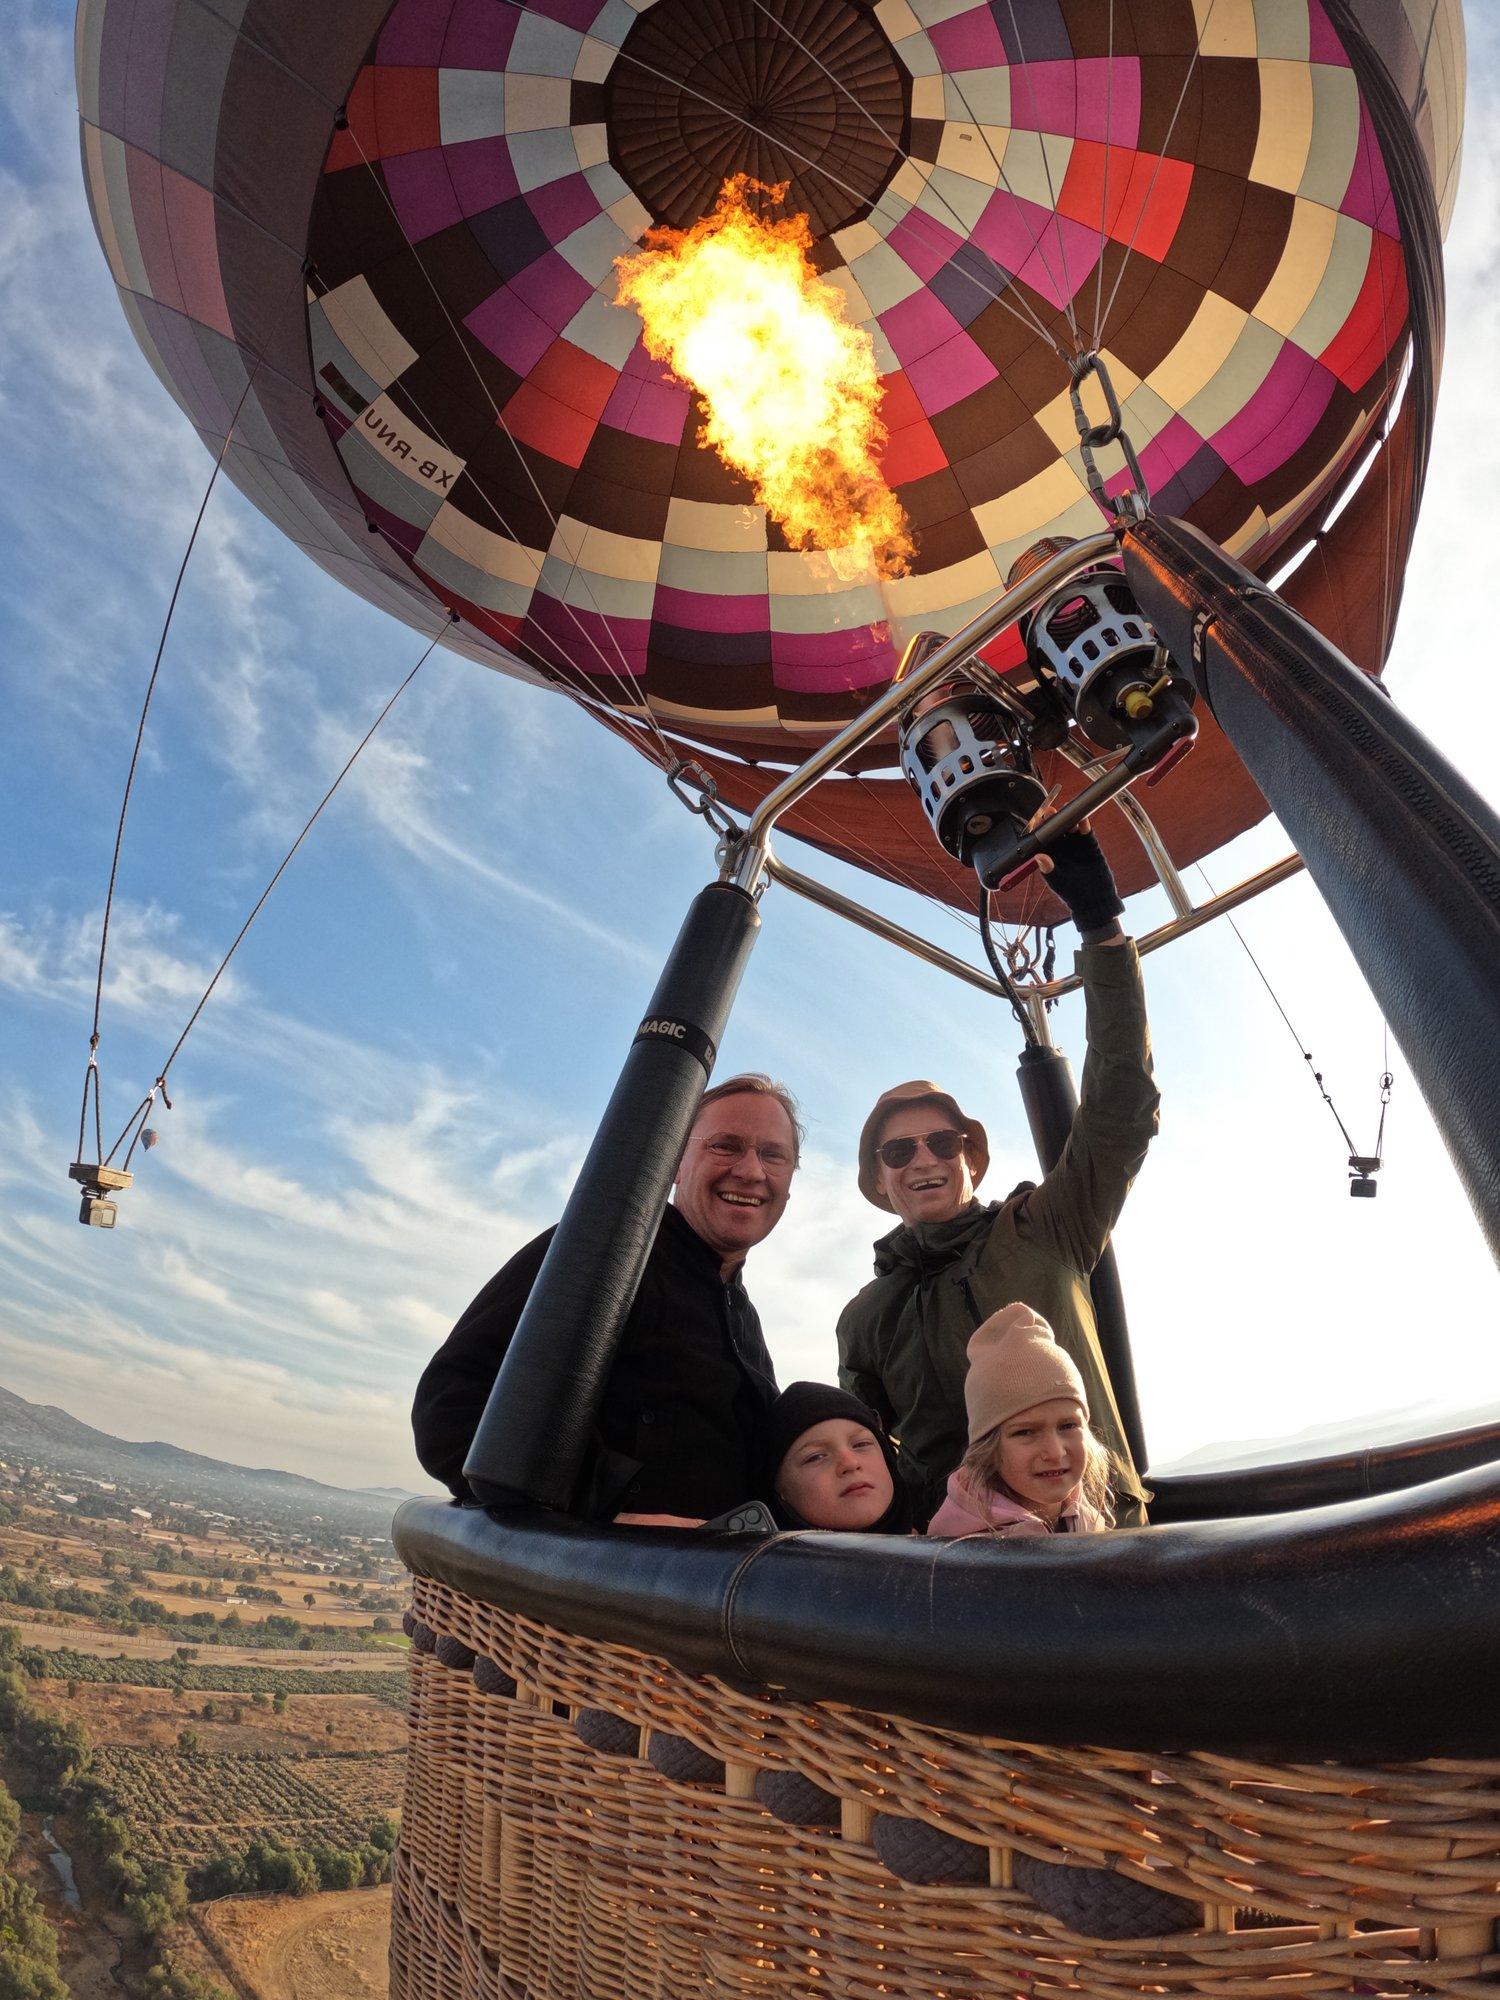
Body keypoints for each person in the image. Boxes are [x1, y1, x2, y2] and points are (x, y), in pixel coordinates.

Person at [836, 824, 1157, 1527]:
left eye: (942, 1142)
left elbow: (1119, 1109)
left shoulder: (1046, 1227)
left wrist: (1101, 928)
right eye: (899, 1153)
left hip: (1100, 1545)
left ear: (969, 1159)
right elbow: (861, 1452)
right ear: (879, 1183)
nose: (924, 1159)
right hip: (966, 1582)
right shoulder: (866, 1319)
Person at [412, 1074, 798, 1524]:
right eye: (725, 1146)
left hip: (704, 1587)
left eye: (773, 1154)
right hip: (591, 1587)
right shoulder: (601, 1253)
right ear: (674, 1161)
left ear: (789, 1180)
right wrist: (609, 1511)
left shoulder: (742, 1317)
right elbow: (452, 1404)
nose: (751, 1171)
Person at [925, 1305, 1114, 1538]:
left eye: (1068, 1426)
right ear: (988, 1450)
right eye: (1025, 1432)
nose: (1054, 1452)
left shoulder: (1091, 1523)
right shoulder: (960, 1547)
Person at [761, 1382, 912, 1533]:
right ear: (780, 1489)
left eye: (861, 1444)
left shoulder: (933, 1541)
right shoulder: (756, 1557)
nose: (850, 1463)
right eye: (816, 1457)